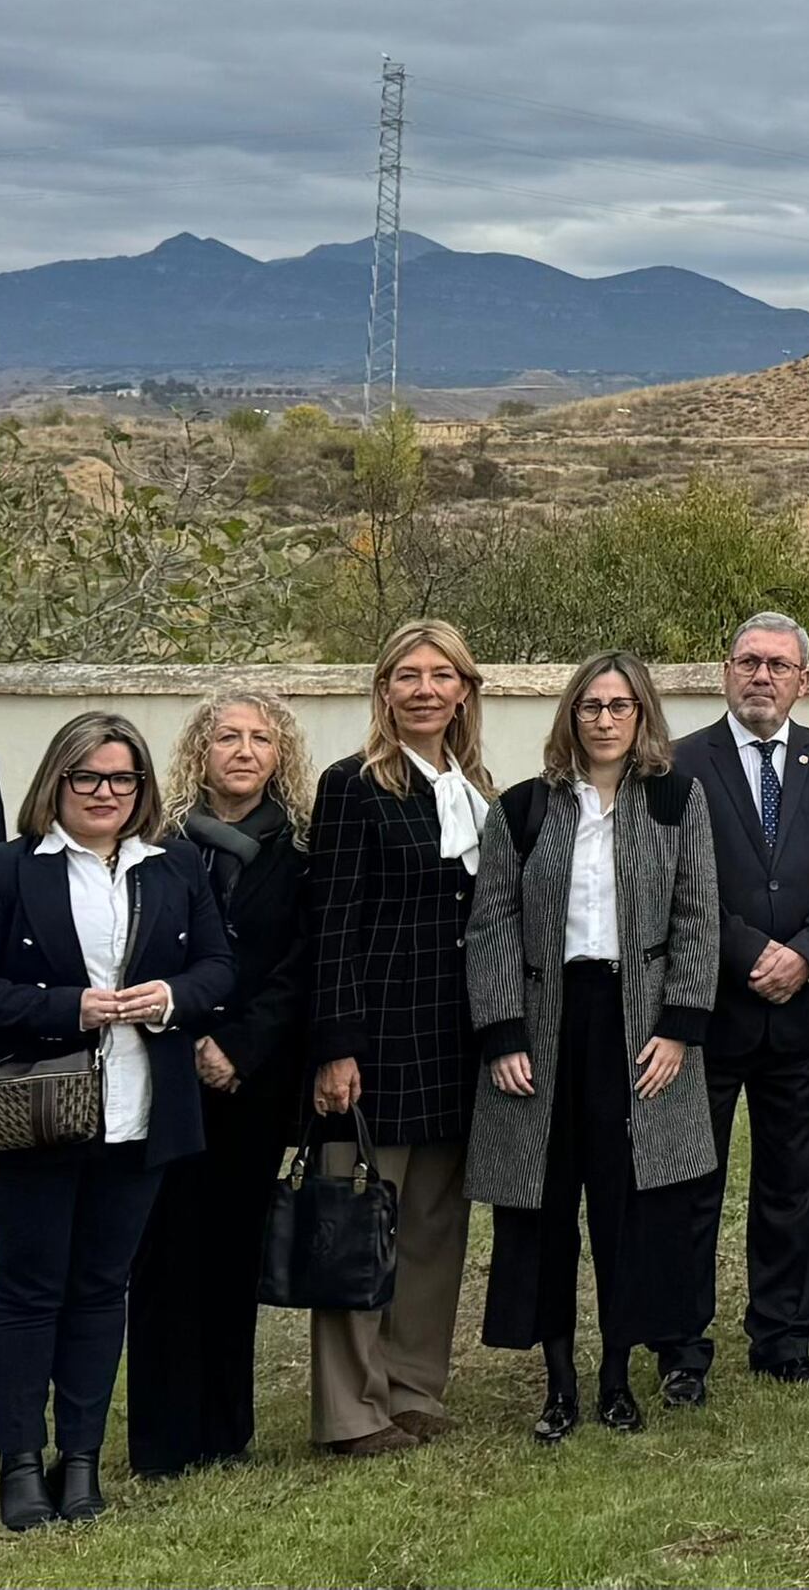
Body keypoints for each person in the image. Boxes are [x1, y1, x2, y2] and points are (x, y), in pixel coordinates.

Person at [0, 712, 236, 1531]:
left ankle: (81, 1459)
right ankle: (20, 1463)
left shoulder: (174, 868)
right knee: (30, 1286)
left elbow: (215, 968)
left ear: (142, 788)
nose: (104, 792)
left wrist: (169, 998)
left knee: (102, 1289)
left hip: (140, 1112)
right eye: (86, 777)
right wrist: (69, 1007)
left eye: (121, 778)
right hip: (31, 1109)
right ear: (56, 783)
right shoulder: (1, 869)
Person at [468, 652, 725, 1441]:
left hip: (640, 1026)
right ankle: (558, 1384)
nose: (605, 718)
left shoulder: (679, 800)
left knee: (629, 1208)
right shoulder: (522, 808)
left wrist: (680, 1028)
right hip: (548, 1025)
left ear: (642, 714)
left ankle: (617, 1376)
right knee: (546, 1209)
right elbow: (492, 925)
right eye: (590, 706)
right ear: (570, 716)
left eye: (620, 705)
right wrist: (504, 1031)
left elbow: (697, 917)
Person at [667, 611, 809, 1386]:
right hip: (710, 1009)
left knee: (792, 1184)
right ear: (725, 671)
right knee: (693, 1186)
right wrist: (756, 951)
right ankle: (683, 1349)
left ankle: (784, 1338)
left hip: (803, 1014)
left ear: (803, 680)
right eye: (749, 661)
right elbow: (681, 881)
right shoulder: (681, 763)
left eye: (778, 665)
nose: (762, 675)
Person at [302, 616, 494, 1454]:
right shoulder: (353, 785)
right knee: (360, 1219)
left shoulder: (476, 786)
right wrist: (334, 1046)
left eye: (440, 674)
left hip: (456, 1038)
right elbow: (331, 925)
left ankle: (414, 1385)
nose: (424, 688)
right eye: (407, 675)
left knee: (432, 1224)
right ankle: (350, 1408)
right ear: (384, 691)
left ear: (463, 691)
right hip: (376, 1040)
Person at [128, 692, 313, 1480]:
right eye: (226, 736)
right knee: (163, 1250)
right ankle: (162, 1439)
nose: (243, 750)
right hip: (163, 1067)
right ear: (199, 751)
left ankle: (225, 1429)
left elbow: (303, 963)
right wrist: (186, 1032)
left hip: (254, 1077)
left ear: (280, 755)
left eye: (260, 738)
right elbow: (131, 949)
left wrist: (238, 1045)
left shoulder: (304, 850)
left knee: (234, 1248)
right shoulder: (154, 843)